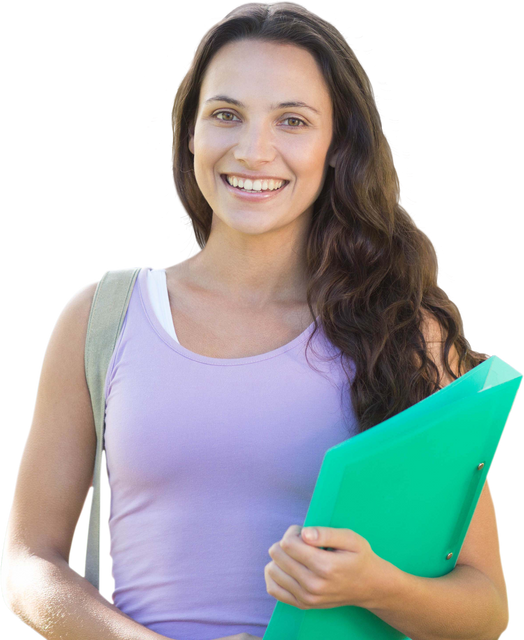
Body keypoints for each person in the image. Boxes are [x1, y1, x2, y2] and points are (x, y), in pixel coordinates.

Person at [1, 2, 509, 640]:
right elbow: (28, 560)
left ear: (337, 147)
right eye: (225, 115)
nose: (253, 149)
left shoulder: (403, 334)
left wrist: (376, 587)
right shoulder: (101, 316)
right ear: (189, 132)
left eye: (292, 120)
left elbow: (486, 607)